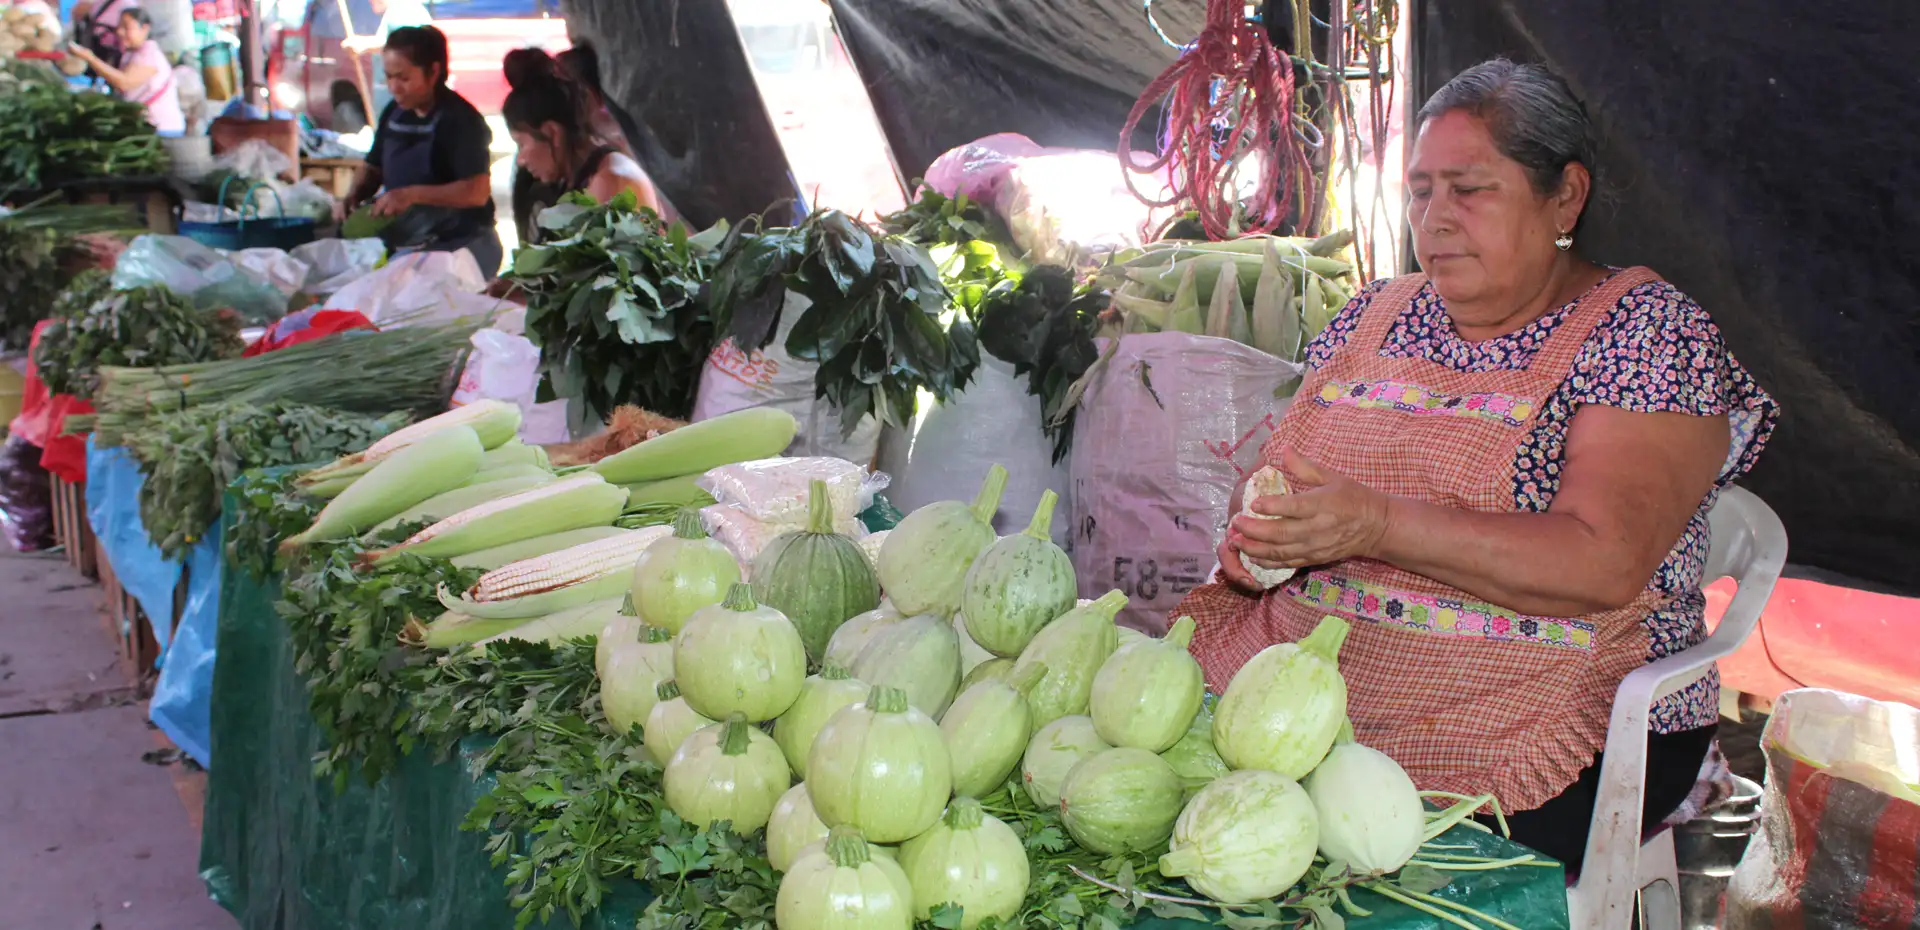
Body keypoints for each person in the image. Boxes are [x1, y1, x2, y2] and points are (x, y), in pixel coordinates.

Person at [1176, 58, 1778, 873]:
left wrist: (1376, 523)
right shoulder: (1371, 316)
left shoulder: (1642, 332)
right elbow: (1287, 494)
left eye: (1470, 189)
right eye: (1421, 191)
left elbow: (1602, 559)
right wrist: (1261, 548)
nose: (1436, 219)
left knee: (1324, 856)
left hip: (1548, 712)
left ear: (1565, 195)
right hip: (1322, 682)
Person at [337, 25, 502, 277]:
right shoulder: (393, 113)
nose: (394, 87)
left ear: (433, 71)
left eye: (403, 78)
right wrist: (352, 196)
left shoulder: (461, 120)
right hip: (408, 240)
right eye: (389, 77)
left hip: (463, 245)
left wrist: (410, 195)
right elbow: (373, 166)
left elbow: (476, 191)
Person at [501, 46, 669, 244]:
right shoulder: (573, 178)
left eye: (521, 144)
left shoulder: (613, 182)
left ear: (552, 132)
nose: (521, 160)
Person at [67, 7, 184, 134]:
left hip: (161, 128)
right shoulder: (131, 53)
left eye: (127, 28)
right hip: (142, 126)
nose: (120, 32)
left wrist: (91, 59)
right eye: (119, 27)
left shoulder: (149, 54)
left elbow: (125, 82)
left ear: (144, 29)